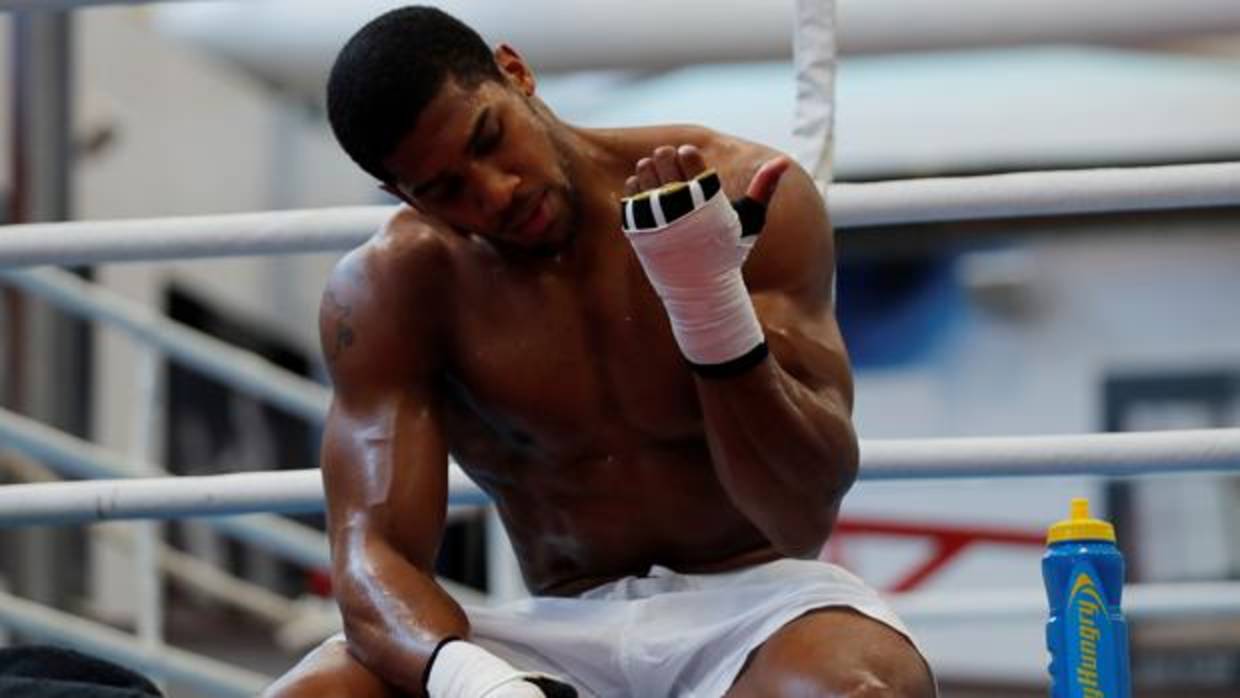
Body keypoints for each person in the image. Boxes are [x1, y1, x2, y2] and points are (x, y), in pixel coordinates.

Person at [265, 6, 935, 697]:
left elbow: (800, 514)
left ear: (515, 73)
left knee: (853, 692)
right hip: (558, 627)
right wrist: (475, 683)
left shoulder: (738, 192)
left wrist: (709, 304)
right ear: (397, 194)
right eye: (445, 191)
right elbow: (371, 556)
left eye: (489, 138)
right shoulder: (394, 287)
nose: (495, 192)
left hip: (758, 608)